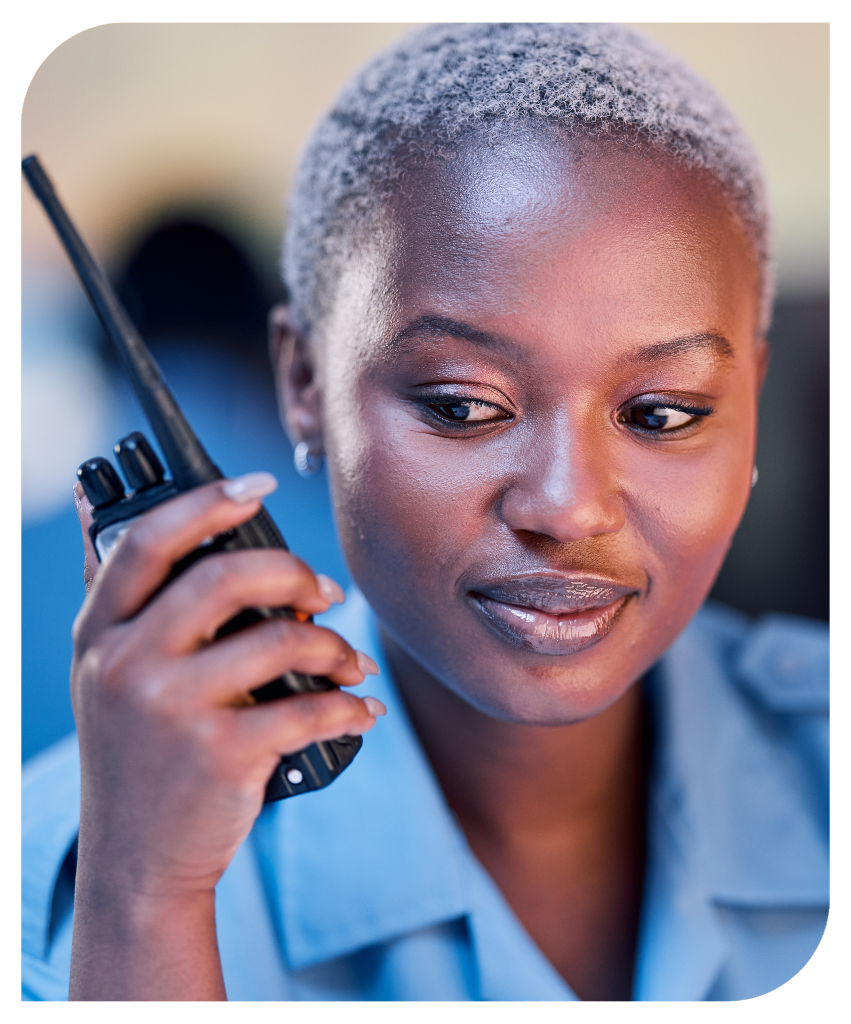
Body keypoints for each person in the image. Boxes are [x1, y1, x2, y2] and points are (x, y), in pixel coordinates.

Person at [22, 23, 828, 1001]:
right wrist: (146, 899)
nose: (567, 507)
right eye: (462, 407)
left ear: (747, 408)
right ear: (302, 381)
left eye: (660, 413)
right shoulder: (75, 874)